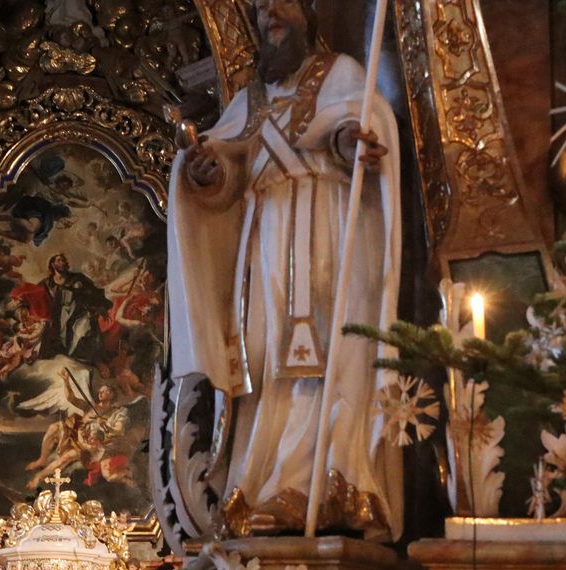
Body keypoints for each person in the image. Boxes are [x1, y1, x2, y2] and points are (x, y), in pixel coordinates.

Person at [166, 0, 402, 539]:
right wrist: (207, 173)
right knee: (267, 357)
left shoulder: (340, 73)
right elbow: (228, 166)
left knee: (326, 349)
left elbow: (359, 128)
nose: (270, 14)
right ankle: (262, 482)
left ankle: (327, 481)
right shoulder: (252, 97)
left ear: (308, 12)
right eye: (261, 8)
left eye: (281, 4)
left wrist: (348, 142)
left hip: (328, 229)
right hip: (266, 239)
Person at [40, 254, 110, 362]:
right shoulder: (46, 283)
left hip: (78, 313)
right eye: (59, 260)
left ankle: (94, 359)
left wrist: (99, 306)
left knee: (86, 326)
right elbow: (35, 295)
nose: (62, 262)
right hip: (57, 317)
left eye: (63, 260)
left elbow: (93, 292)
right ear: (52, 264)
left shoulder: (77, 278)